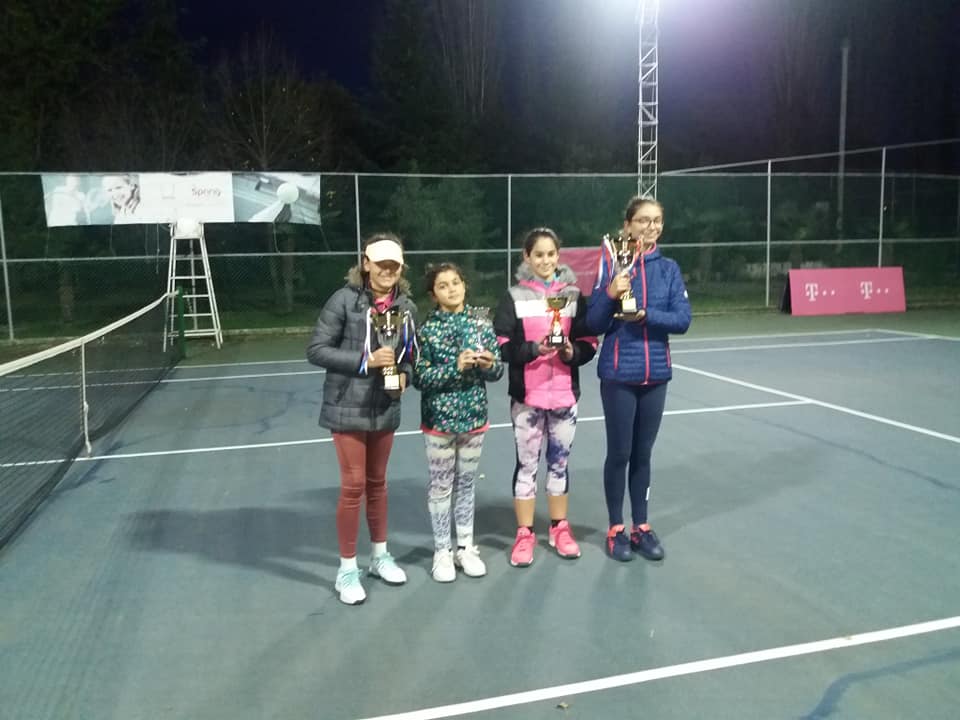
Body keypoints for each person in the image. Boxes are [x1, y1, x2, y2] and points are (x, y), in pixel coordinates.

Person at [306, 233, 417, 605]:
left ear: (400, 268)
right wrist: (364, 361)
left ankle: (380, 556)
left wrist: (404, 376)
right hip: (346, 406)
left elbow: (409, 355)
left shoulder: (407, 307)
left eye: (394, 265)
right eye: (380, 263)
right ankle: (347, 570)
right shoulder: (343, 300)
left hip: (385, 406)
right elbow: (316, 350)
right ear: (365, 263)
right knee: (353, 487)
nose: (387, 270)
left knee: (378, 484)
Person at [586, 197, 691, 562]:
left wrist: (645, 315)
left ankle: (640, 527)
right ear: (627, 226)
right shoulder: (610, 265)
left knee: (643, 454)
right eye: (644, 220)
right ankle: (616, 528)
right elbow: (593, 322)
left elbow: (682, 319)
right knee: (620, 453)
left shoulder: (669, 269)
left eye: (657, 220)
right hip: (619, 374)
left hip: (656, 375)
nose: (651, 227)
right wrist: (611, 293)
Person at [493, 227, 597, 567]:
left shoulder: (573, 295)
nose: (545, 260)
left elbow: (588, 342)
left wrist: (570, 351)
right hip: (528, 397)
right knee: (527, 466)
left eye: (551, 254)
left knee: (559, 464)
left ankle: (558, 528)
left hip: (564, 396)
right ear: (527, 256)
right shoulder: (513, 297)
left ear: (558, 255)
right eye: (538, 254)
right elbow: (502, 345)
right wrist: (534, 350)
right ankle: (524, 534)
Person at [413, 263, 503, 582]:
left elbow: (497, 371)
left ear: (465, 285)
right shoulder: (426, 330)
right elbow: (420, 378)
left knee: (466, 484)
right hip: (438, 421)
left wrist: (489, 365)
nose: (451, 289)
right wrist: (456, 366)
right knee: (441, 487)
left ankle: (465, 547)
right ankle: (442, 551)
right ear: (433, 294)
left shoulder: (482, 324)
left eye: (456, 282)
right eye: (443, 285)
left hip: (474, 418)